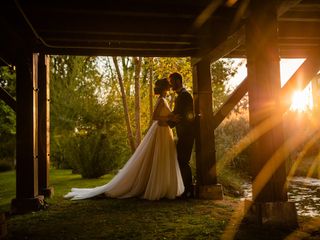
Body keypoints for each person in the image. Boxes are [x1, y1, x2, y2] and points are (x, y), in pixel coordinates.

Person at [64, 78, 184, 201]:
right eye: (168, 85)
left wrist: (172, 117)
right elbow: (155, 117)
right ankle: (157, 188)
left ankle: (162, 187)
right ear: (165, 88)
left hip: (164, 131)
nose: (170, 87)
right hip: (160, 131)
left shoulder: (164, 100)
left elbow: (165, 115)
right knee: (158, 158)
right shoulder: (161, 100)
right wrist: (171, 119)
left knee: (162, 159)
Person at [168, 72, 195, 198]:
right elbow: (177, 113)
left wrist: (168, 122)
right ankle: (186, 190)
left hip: (187, 134)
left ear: (178, 81)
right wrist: (170, 120)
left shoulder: (185, 96)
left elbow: (186, 115)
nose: (170, 84)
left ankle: (188, 191)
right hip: (183, 134)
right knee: (181, 161)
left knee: (183, 161)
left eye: (172, 81)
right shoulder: (181, 96)